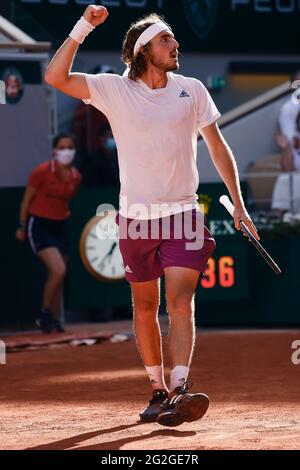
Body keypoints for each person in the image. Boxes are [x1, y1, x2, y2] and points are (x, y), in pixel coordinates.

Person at [44, 5, 259, 426]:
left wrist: (239, 202)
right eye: (166, 39)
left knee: (180, 302)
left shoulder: (193, 89)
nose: (176, 45)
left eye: (174, 39)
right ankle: (157, 390)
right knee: (145, 306)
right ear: (144, 50)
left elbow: (216, 146)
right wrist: (83, 26)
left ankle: (180, 388)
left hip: (183, 213)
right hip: (135, 219)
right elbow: (54, 78)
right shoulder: (112, 89)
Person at [15, 134, 81, 333]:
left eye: (70, 147)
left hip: (60, 226)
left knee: (58, 275)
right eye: (62, 147)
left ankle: (53, 319)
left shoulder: (76, 176)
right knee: (59, 270)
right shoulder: (42, 171)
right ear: (54, 150)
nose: (66, 151)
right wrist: (22, 225)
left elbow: (69, 198)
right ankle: (44, 312)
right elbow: (26, 200)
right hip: (39, 226)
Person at [272, 111, 300, 215]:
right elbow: (287, 169)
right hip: (297, 177)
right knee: (285, 178)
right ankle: (282, 218)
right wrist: (286, 147)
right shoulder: (294, 139)